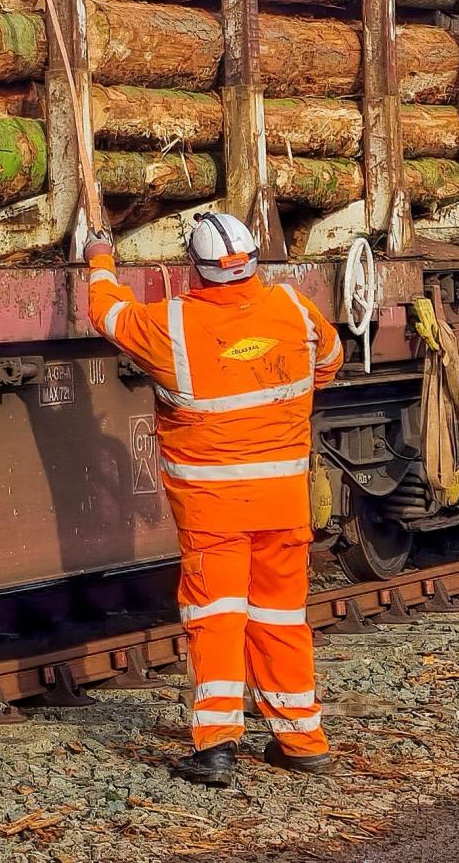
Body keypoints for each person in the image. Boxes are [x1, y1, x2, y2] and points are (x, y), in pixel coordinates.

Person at [86, 211, 343, 788]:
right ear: (252, 259)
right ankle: (301, 739)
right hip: (282, 505)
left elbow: (105, 311)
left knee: (216, 619)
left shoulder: (171, 325)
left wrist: (100, 254)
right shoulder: (296, 310)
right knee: (281, 617)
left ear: (194, 271)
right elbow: (327, 364)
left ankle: (218, 746)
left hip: (213, 511)